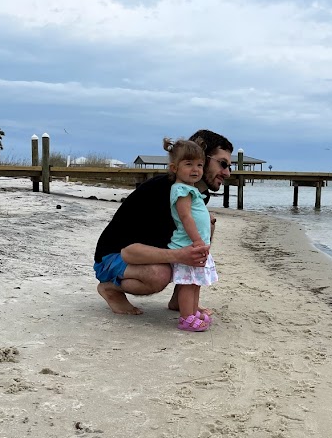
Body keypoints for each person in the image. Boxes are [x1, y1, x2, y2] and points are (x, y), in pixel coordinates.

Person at [94, 129, 233, 315]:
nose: (227, 173)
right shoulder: (164, 191)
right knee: (159, 275)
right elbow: (129, 251)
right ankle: (111, 288)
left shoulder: (196, 193)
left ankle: (180, 298)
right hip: (114, 257)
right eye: (223, 164)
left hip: (145, 253)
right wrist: (179, 256)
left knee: (208, 223)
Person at [163, 137, 218, 331]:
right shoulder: (181, 190)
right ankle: (186, 318)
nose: (195, 169)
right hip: (187, 245)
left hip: (196, 244)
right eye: (188, 164)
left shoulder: (191, 189)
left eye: (199, 165)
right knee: (188, 283)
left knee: (196, 282)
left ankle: (193, 311)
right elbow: (185, 217)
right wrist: (197, 240)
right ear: (174, 168)